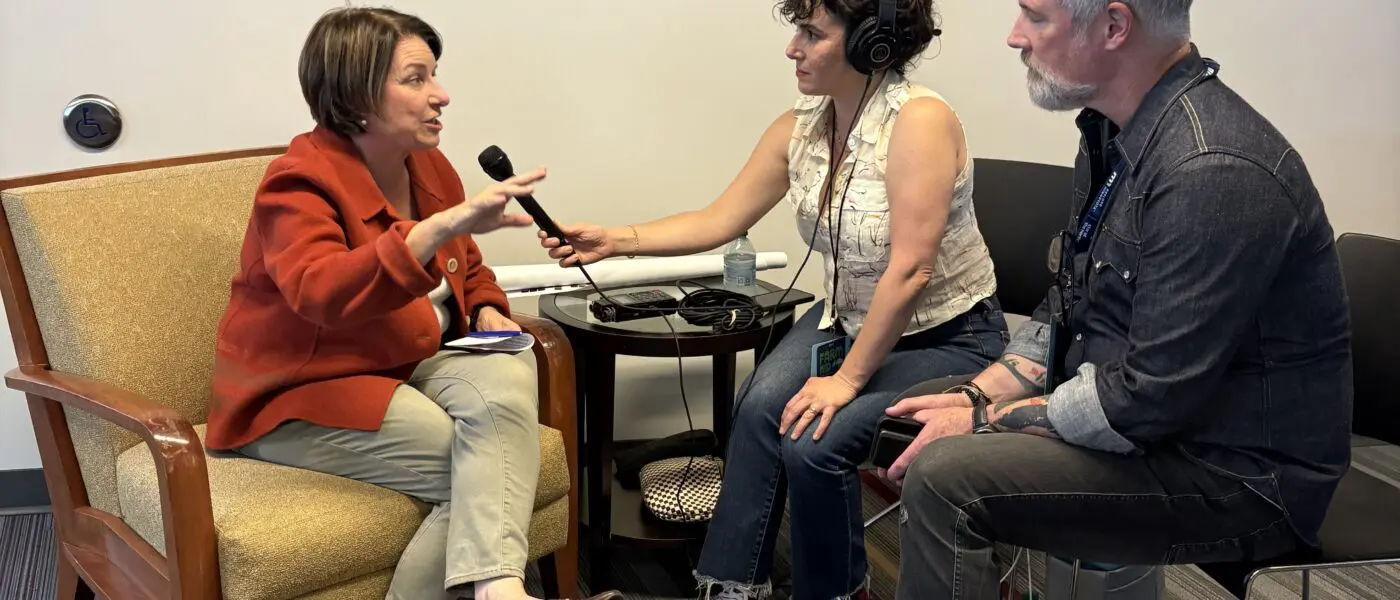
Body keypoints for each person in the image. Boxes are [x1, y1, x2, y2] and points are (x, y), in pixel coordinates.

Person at [881, 1, 1354, 598]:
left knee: (945, 476)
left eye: (1036, 17)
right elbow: (1068, 302)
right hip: (1161, 424)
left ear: (1113, 26)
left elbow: (1146, 399)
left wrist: (980, 423)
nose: (1014, 37)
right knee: (913, 413)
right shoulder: (1113, 131)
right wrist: (979, 394)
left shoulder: (1210, 167)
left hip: (1237, 477)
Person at [540, 1, 1009, 598]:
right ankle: (732, 588)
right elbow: (720, 219)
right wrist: (616, 240)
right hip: (848, 317)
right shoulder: (803, 125)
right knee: (758, 408)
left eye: (812, 34)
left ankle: (836, 590)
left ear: (872, 43)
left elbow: (912, 269)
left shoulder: (919, 121)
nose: (793, 48)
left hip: (949, 334)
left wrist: (845, 381)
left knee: (815, 438)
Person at [204, 8, 620, 600]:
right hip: (303, 393)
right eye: (416, 78)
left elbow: (467, 264)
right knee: (482, 466)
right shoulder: (296, 182)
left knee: (510, 366)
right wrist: (437, 227)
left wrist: (485, 308)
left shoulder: (426, 162)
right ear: (357, 92)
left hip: (410, 361)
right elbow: (320, 291)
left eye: (435, 76)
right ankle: (499, 587)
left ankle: (499, 589)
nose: (441, 95)